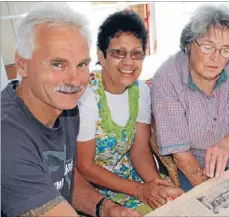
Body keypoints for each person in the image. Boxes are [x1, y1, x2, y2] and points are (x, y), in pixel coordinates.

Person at [1, 3, 138, 217]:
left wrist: (105, 207)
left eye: (82, 64)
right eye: (58, 64)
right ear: (21, 64)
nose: (74, 80)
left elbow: (65, 178)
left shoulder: (65, 108)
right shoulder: (7, 137)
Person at [76, 10, 183, 215]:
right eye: (118, 53)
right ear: (101, 55)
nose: (128, 62)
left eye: (136, 53)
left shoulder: (140, 91)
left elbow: (140, 151)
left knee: (173, 204)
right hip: (93, 188)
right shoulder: (87, 96)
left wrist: (156, 186)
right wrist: (141, 191)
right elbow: (84, 165)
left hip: (130, 177)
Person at [151, 4, 229, 192]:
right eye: (208, 47)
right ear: (189, 43)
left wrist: (225, 145)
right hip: (196, 167)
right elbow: (181, 154)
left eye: (226, 49)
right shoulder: (167, 80)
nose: (216, 58)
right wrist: (211, 193)